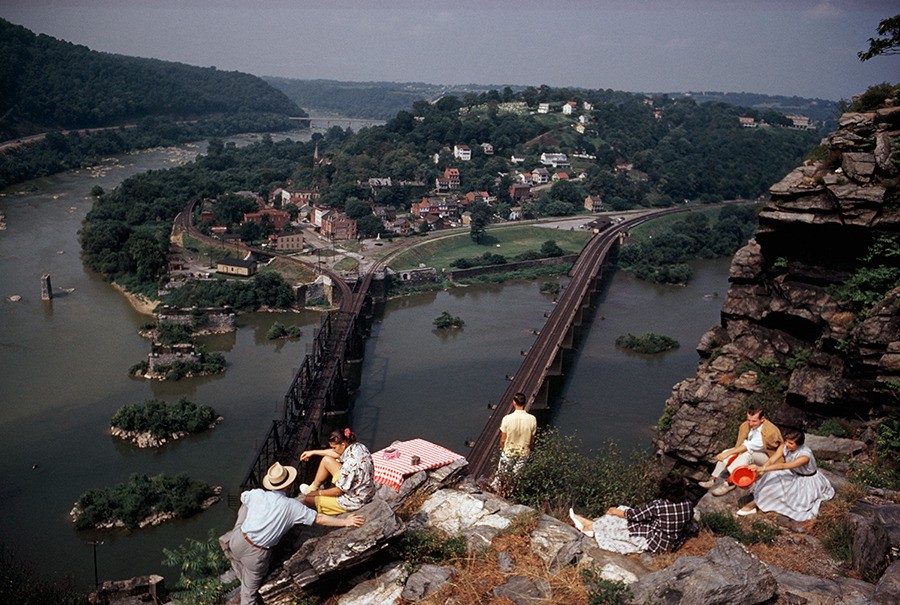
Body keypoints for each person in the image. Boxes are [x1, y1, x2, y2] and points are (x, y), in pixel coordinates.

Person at [220, 461, 364, 605]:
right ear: (287, 484)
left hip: (236, 540)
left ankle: (238, 544)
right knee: (248, 595)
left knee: (246, 502)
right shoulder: (292, 506)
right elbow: (319, 518)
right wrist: (345, 522)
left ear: (269, 483)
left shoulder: (257, 494)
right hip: (256, 554)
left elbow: (243, 497)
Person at [569, 473, 694, 554]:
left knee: (618, 517)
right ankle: (590, 525)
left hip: (656, 542)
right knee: (624, 514)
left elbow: (635, 515)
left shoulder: (660, 504)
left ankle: (589, 526)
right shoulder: (688, 503)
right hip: (673, 543)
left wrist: (614, 511)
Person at [737, 429, 835, 520]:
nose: (787, 445)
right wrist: (761, 471)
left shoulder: (805, 456)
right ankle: (758, 499)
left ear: (799, 445)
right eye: (786, 441)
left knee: (776, 485)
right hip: (794, 473)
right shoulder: (785, 446)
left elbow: (784, 466)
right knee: (770, 475)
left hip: (806, 481)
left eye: (791, 443)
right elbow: (772, 460)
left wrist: (762, 468)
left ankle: (755, 504)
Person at [699, 406, 784, 496]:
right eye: (749, 420)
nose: (751, 423)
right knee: (725, 452)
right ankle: (715, 479)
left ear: (762, 419)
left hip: (768, 458)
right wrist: (728, 453)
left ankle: (730, 483)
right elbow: (741, 444)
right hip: (753, 450)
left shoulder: (769, 432)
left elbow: (747, 446)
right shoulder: (746, 425)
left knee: (747, 454)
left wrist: (730, 453)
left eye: (754, 421)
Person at [298, 428, 376, 515]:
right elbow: (334, 453)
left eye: (334, 447)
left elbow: (338, 491)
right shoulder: (358, 446)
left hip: (355, 499)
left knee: (308, 499)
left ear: (343, 444)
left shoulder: (349, 465)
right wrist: (312, 452)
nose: (333, 450)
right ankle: (311, 488)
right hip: (364, 488)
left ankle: (306, 498)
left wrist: (317, 493)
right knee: (326, 460)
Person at [493, 392, 537, 485]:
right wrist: (531, 449)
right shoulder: (532, 419)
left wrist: (503, 449)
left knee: (500, 477)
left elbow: (502, 440)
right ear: (524, 403)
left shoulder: (507, 418)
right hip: (523, 453)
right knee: (515, 479)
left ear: (514, 402)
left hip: (509, 452)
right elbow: (532, 440)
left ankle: (497, 491)